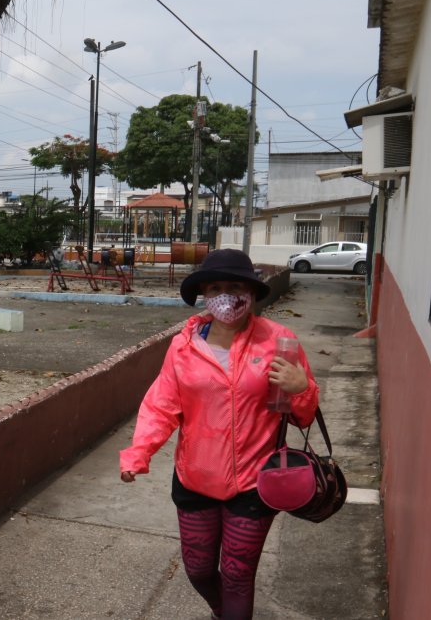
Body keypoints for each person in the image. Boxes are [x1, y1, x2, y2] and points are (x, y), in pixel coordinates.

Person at [119, 249, 319, 620]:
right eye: (215, 287)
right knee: (197, 569)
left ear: (252, 292)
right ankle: (220, 610)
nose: (226, 295)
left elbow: (303, 417)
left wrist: (301, 387)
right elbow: (162, 405)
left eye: (235, 286)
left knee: (239, 574)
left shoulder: (280, 341)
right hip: (194, 478)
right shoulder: (184, 345)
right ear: (204, 295)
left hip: (255, 483)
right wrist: (138, 452)